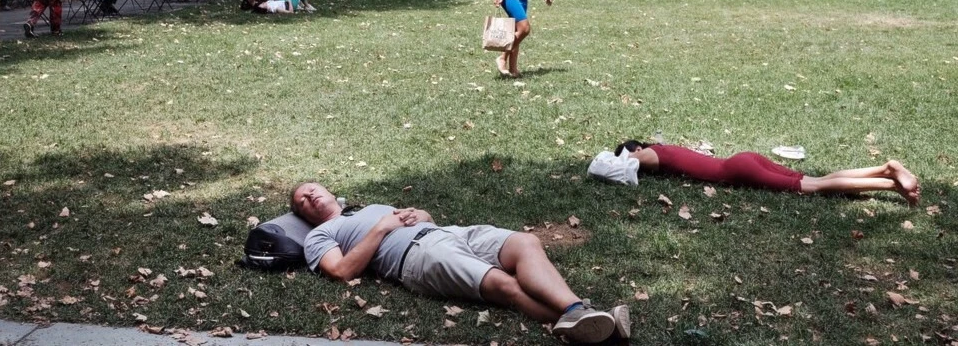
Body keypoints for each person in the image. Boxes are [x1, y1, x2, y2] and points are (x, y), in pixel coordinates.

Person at [291, 183, 629, 343]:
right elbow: (341, 271)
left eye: (312, 188)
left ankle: (578, 311)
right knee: (503, 284)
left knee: (526, 242)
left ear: (331, 191)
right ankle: (595, 329)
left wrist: (419, 214)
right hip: (418, 257)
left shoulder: (364, 208)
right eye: (302, 200)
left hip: (449, 233)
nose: (310, 196)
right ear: (303, 215)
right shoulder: (320, 235)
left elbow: (425, 218)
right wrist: (383, 227)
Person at [602, 141, 920, 206]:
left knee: (816, 187)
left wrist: (622, 156)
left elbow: (618, 169)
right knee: (812, 179)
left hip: (740, 170)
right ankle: (885, 169)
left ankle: (890, 185)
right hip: (744, 160)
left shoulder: (648, 154)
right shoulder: (665, 148)